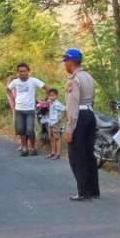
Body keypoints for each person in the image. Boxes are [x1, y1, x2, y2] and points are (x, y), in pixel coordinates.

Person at [63, 48, 99, 201]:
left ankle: (83, 191)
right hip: (90, 114)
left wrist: (70, 128)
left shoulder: (74, 80)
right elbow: (93, 98)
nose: (64, 65)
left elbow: (73, 105)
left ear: (70, 62)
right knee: (89, 154)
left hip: (79, 117)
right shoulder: (88, 76)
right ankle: (94, 189)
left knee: (77, 156)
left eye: (65, 61)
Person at [6, 63, 45, 157]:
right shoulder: (15, 82)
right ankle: (24, 148)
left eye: (24, 71)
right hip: (19, 109)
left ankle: (33, 147)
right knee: (21, 130)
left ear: (28, 71)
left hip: (30, 109)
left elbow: (46, 87)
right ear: (18, 72)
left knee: (30, 129)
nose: (22, 73)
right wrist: (13, 98)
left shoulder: (33, 81)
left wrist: (46, 100)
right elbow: (8, 89)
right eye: (20, 71)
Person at [41, 88, 66, 160]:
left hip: (55, 122)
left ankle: (58, 153)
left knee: (57, 137)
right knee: (51, 138)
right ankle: (53, 152)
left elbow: (65, 109)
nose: (51, 97)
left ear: (56, 96)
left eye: (53, 95)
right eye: (50, 95)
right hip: (50, 122)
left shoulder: (57, 103)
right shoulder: (49, 103)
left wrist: (61, 119)